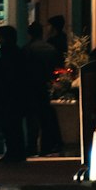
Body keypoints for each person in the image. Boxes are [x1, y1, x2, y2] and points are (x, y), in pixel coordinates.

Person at [0, 25, 30, 163]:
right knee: (14, 126)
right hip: (14, 96)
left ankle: (14, 152)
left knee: (10, 126)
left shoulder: (9, 54)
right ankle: (16, 152)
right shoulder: (16, 53)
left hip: (9, 96)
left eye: (0, 37)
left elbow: (8, 76)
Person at [23, 21, 63, 156]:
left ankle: (31, 147)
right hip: (45, 86)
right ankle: (46, 147)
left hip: (30, 86)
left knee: (32, 118)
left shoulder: (28, 49)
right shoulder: (50, 49)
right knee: (45, 117)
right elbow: (55, 68)